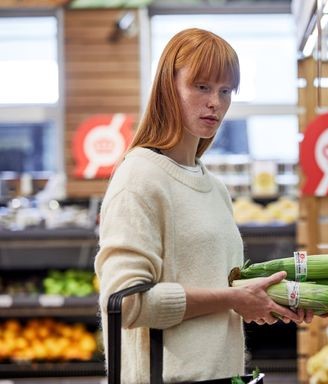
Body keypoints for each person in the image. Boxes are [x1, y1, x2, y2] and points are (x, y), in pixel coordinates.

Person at [94, 28, 312, 383]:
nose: (216, 102)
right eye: (202, 87)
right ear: (169, 86)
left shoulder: (214, 187)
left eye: (225, 91)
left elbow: (218, 291)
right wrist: (231, 298)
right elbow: (124, 301)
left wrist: (270, 302)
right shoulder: (140, 176)